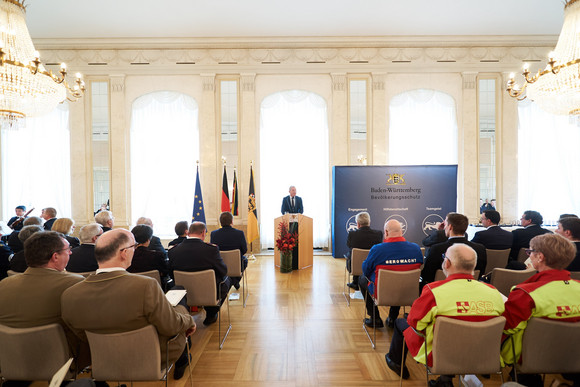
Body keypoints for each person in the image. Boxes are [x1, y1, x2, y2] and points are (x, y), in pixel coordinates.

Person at [61, 229, 196, 380]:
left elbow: (79, 333)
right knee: (179, 307)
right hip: (150, 355)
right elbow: (170, 325)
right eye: (134, 246)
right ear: (124, 253)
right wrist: (189, 320)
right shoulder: (145, 286)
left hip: (103, 358)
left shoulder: (70, 295)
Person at [384, 244, 504, 384]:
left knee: (401, 323)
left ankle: (396, 362)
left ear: (447, 263)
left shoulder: (433, 291)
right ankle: (444, 381)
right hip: (483, 355)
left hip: (439, 356)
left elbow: (415, 323)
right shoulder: (494, 292)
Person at [501, 233, 580, 386]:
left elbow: (508, 327)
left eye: (530, 253)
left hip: (531, 357)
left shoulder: (525, 293)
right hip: (574, 356)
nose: (529, 257)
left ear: (540, 257)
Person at [0, 231, 86, 370]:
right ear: (55, 256)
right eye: (68, 249)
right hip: (59, 359)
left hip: (9, 358)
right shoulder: (73, 283)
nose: (70, 253)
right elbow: (82, 325)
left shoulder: (4, 284)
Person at [359, 219, 423, 328]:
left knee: (362, 279)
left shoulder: (377, 249)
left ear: (387, 232)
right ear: (401, 232)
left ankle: (375, 318)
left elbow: (365, 270)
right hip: (408, 291)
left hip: (382, 292)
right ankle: (393, 318)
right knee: (400, 280)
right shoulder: (416, 249)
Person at [169, 222, 232, 326]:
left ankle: (185, 317)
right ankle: (211, 313)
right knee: (226, 280)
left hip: (184, 293)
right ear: (203, 233)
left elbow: (171, 274)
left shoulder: (174, 250)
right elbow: (223, 271)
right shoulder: (211, 249)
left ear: (188, 233)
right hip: (209, 292)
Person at [421, 212, 487, 289]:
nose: (444, 227)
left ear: (450, 227)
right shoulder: (480, 249)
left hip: (441, 291)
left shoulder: (436, 249)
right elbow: (481, 273)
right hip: (470, 289)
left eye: (445, 225)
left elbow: (427, 275)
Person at [345, 211, 383, 291]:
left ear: (358, 224)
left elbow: (349, 246)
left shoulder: (352, 234)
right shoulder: (378, 234)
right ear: (369, 222)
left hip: (354, 267)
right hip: (372, 266)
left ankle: (355, 282)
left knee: (352, 254)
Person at [210, 211, 248, 290]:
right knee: (245, 260)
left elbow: (213, 251)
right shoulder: (239, 233)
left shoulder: (214, 234)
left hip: (220, 264)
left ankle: (229, 281)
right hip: (237, 264)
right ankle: (235, 280)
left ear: (220, 222)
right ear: (232, 221)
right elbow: (244, 250)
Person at [129, 224, 171, 290]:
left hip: (132, 289)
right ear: (148, 240)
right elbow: (165, 273)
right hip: (155, 290)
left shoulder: (128, 256)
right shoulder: (157, 256)